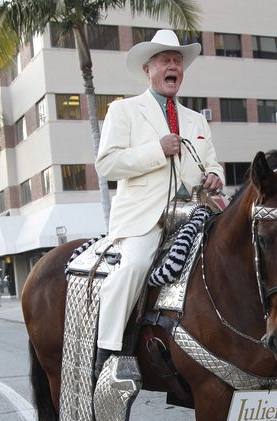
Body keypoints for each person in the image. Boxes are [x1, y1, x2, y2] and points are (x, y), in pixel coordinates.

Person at [92, 29, 225, 375]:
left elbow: (212, 162)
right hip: (145, 217)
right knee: (135, 265)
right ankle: (107, 350)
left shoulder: (196, 119)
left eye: (177, 61)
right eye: (165, 60)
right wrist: (157, 150)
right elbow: (107, 165)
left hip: (194, 213)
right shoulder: (123, 110)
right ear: (148, 69)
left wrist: (215, 175)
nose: (173, 66)